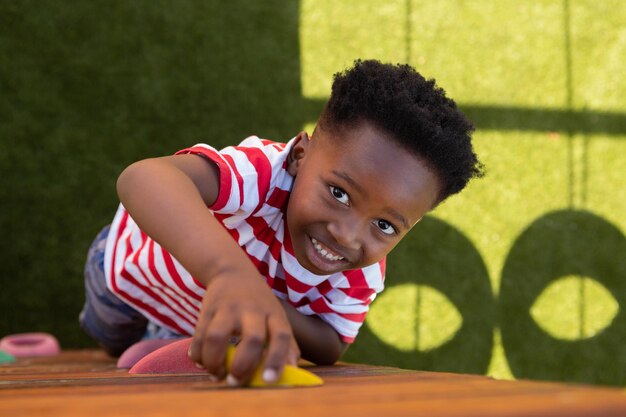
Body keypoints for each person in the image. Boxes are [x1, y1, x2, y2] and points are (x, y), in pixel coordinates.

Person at [79, 59, 483, 386]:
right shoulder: (262, 173)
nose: (347, 234)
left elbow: (330, 344)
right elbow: (143, 179)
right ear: (299, 156)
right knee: (109, 342)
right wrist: (228, 275)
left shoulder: (361, 275)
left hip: (193, 318)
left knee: (155, 368)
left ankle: (159, 340)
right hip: (129, 271)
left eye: (385, 226)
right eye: (339, 194)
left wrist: (269, 308)